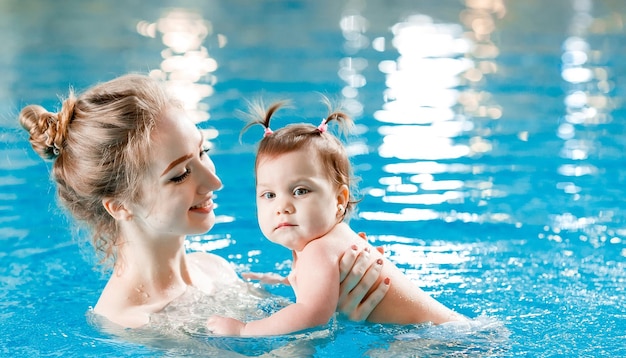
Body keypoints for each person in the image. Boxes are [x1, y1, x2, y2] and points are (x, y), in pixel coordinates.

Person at [18, 74, 389, 329]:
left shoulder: (214, 268)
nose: (214, 180)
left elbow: (294, 317)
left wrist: (338, 279)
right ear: (119, 205)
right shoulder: (135, 325)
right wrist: (331, 326)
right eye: (179, 174)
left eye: (203, 151)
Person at [206, 101, 466, 336]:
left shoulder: (318, 251)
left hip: (441, 341)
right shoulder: (327, 243)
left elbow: (312, 315)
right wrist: (289, 279)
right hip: (455, 330)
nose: (282, 207)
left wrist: (243, 330)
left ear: (339, 200)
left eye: (300, 191)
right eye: (269, 194)